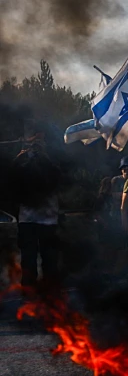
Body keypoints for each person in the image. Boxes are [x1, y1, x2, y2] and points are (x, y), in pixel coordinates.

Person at [13, 122, 60, 288]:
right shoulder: (23, 161)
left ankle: (49, 289)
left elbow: (58, 177)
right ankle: (29, 289)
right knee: (28, 257)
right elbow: (11, 177)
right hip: (28, 218)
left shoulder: (52, 158)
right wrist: (22, 154)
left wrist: (44, 155)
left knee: (49, 257)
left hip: (48, 218)